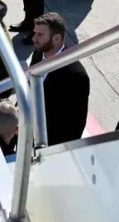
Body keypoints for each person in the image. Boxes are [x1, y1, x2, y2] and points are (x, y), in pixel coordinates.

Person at [28, 12, 90, 145]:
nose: (34, 38)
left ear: (57, 39)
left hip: (49, 144)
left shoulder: (76, 76)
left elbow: (75, 126)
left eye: (40, 34)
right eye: (35, 33)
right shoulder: (39, 52)